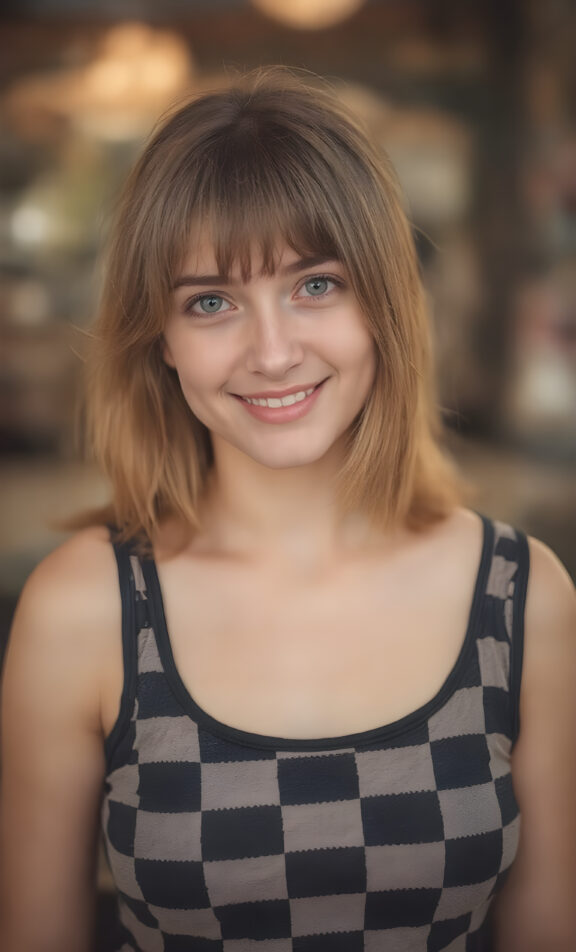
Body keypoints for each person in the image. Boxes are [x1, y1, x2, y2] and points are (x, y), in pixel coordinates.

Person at [1, 67, 575, 952]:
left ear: (383, 303)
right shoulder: (81, 612)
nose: (272, 352)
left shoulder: (523, 598)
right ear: (161, 338)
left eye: (315, 285)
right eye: (213, 302)